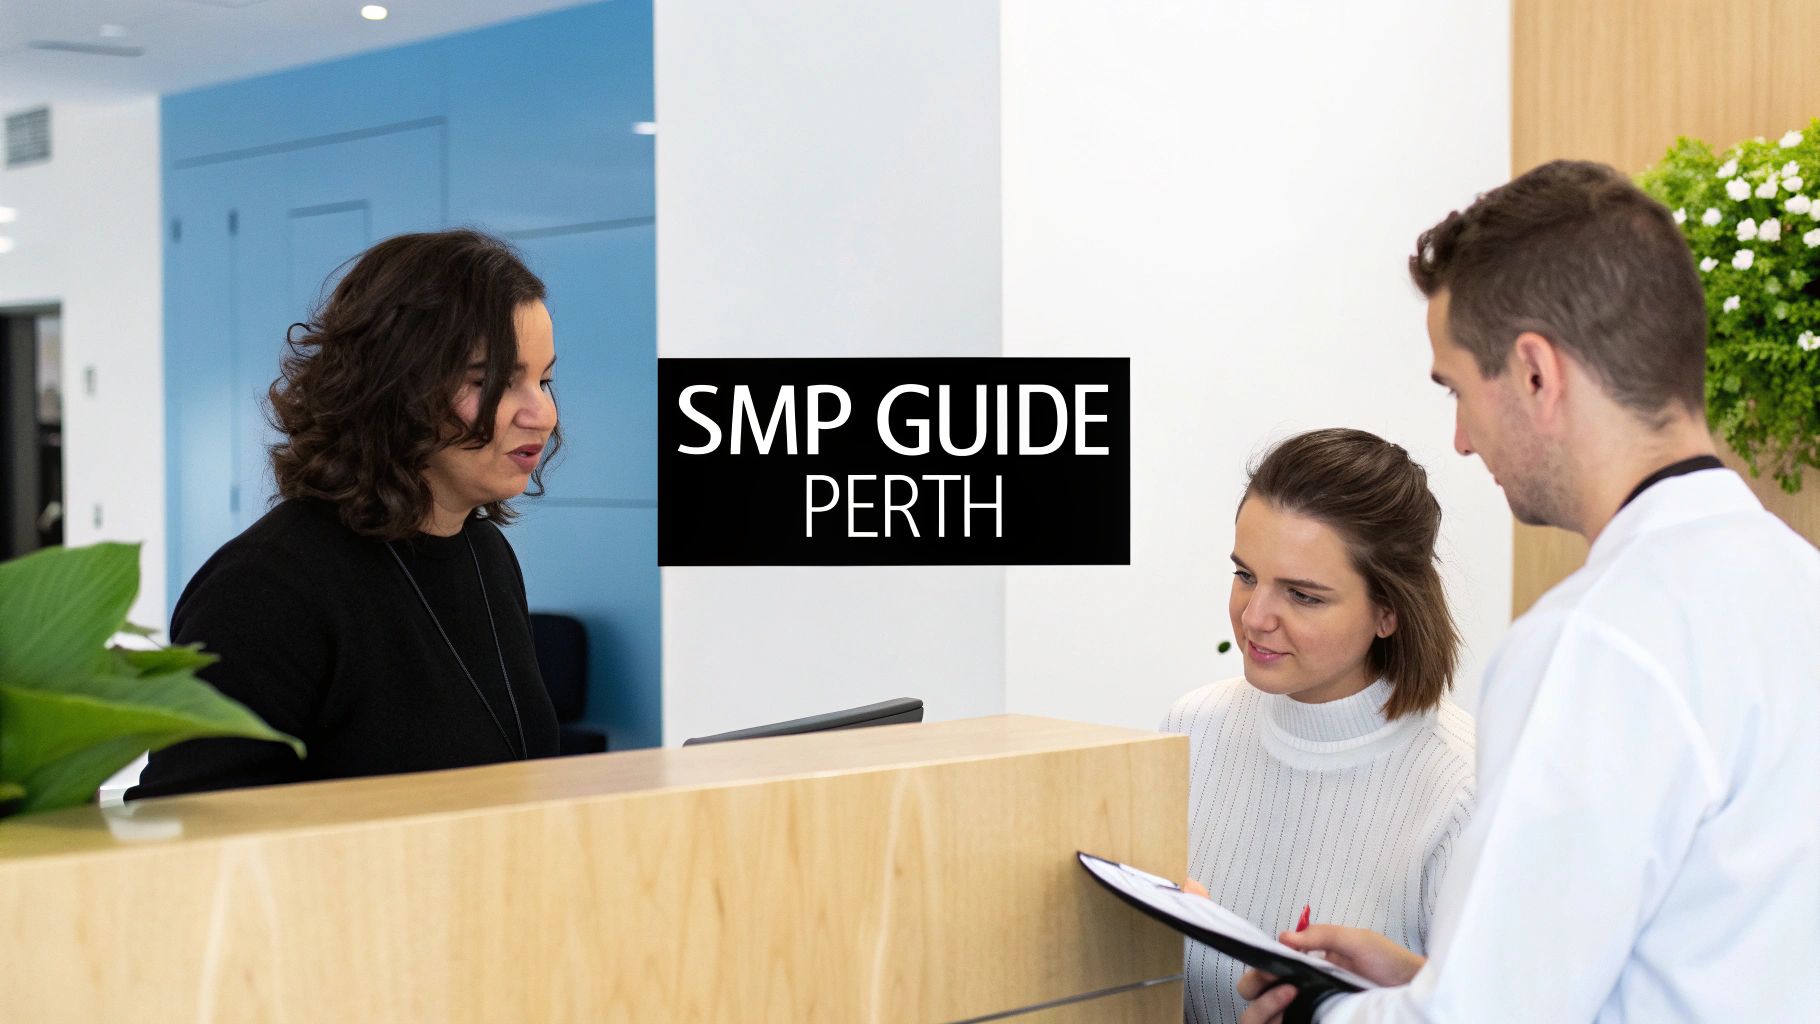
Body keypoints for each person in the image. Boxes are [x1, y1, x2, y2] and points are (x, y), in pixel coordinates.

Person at [1237, 160, 1820, 1023]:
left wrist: (1320, 1012)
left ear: (1537, 374)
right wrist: (1423, 982)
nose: (1463, 440)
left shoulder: (1598, 642)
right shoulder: (1793, 584)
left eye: (1460, 390)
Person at [129, 229, 565, 799]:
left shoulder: (485, 554)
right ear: (394, 386)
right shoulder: (266, 589)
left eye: (545, 379)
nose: (542, 413)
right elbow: (189, 829)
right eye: (490, 381)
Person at [1163, 428, 1475, 1024]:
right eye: (1245, 575)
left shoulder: (1462, 790)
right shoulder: (1190, 730)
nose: (1254, 618)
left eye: (1303, 596)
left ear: (1389, 611)